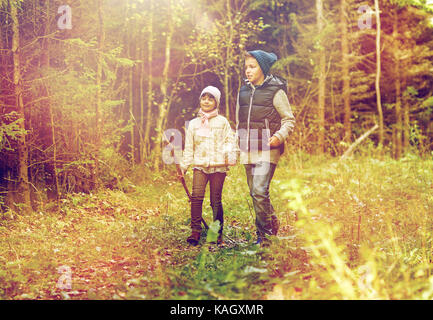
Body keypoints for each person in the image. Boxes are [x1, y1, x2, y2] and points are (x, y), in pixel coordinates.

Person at [236, 50, 295, 246]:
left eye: (252, 66)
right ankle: (270, 224)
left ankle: (266, 237)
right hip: (248, 148)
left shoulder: (276, 91)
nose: (248, 71)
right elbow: (240, 121)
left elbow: (288, 120)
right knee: (255, 192)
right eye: (246, 67)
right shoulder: (243, 92)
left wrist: (279, 136)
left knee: (260, 190)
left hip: (268, 149)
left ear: (263, 68)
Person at [180, 86, 236, 246]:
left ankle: (218, 233)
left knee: (215, 200)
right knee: (196, 197)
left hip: (218, 167)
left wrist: (229, 157)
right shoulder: (193, 124)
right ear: (200, 100)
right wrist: (183, 167)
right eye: (204, 98)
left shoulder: (222, 122)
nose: (206, 101)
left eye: (210, 99)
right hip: (200, 166)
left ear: (216, 102)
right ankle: (195, 231)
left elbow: (229, 141)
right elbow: (189, 147)